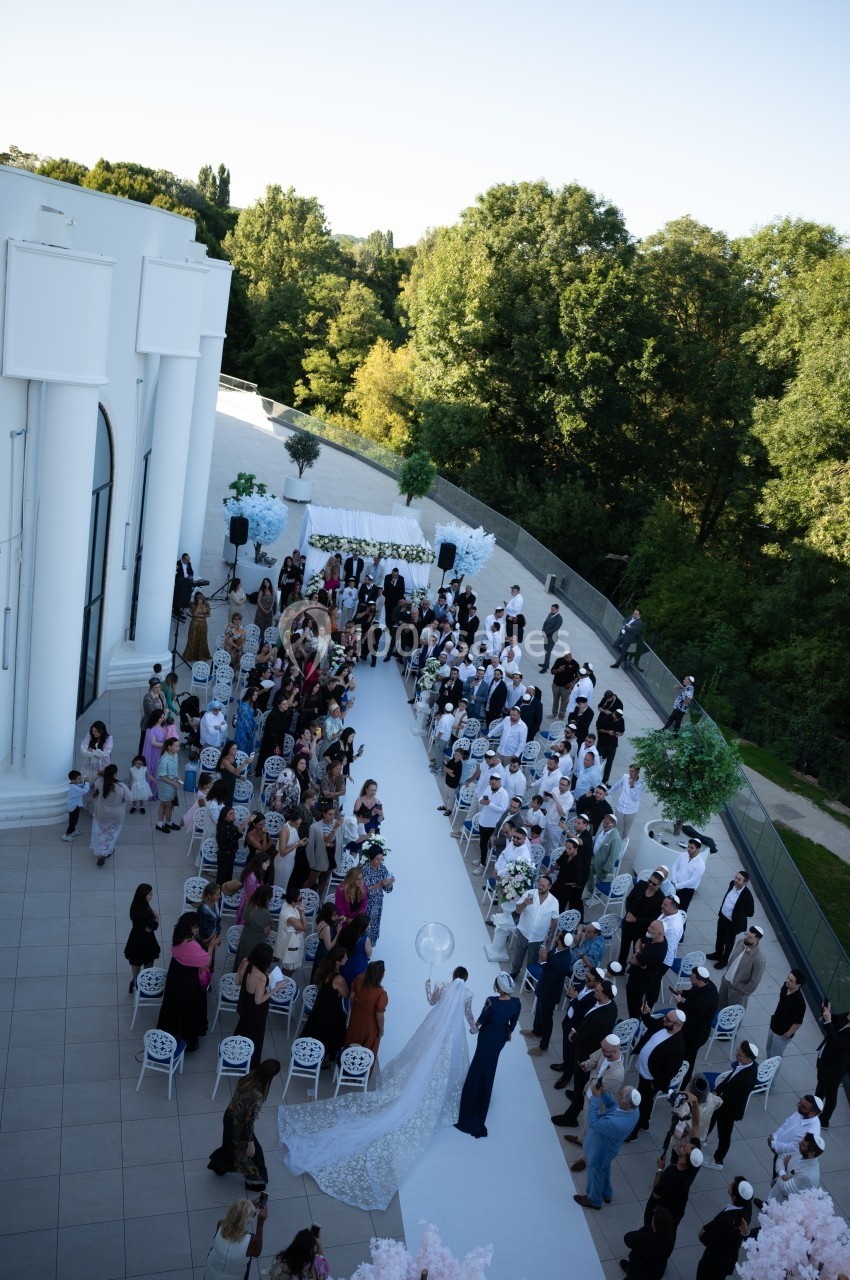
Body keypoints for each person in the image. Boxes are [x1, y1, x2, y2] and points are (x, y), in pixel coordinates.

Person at [280, 975, 476, 1209]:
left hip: (434, 1032)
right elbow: (468, 1017)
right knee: (442, 1068)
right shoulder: (469, 994)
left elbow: (433, 1001)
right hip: (451, 1038)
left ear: (454, 976)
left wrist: (426, 986)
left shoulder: (443, 985)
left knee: (419, 1058)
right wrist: (475, 1027)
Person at [455, 972, 521, 1139]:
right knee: (490, 1067)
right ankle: (483, 1097)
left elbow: (482, 1018)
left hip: (486, 1037)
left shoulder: (491, 1001)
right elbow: (513, 1022)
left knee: (477, 1067)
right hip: (499, 1039)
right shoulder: (516, 1003)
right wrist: (509, 1032)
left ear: (498, 987)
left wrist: (474, 1028)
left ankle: (470, 1102)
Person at [208, 1059, 281, 1190]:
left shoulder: (248, 1078)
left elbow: (241, 1099)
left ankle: (218, 1166)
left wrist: (254, 1110)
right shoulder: (257, 1095)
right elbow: (248, 1123)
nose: (275, 1079)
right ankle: (254, 1183)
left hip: (230, 1117)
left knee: (230, 1147)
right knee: (254, 1156)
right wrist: (250, 1143)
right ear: (269, 1076)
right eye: (274, 1076)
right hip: (240, 1127)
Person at [572, 1083, 640, 1211]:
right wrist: (604, 1094)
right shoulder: (634, 1110)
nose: (618, 1094)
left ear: (625, 1104)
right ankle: (606, 1193)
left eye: (620, 1094)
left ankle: (594, 1200)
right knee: (604, 1169)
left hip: (600, 1151)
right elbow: (614, 1107)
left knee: (594, 1172)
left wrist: (596, 1098)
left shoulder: (616, 1124)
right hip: (609, 1150)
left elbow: (593, 1122)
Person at [158, 911, 220, 1051]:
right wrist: (211, 946)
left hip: (177, 974)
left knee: (175, 1007)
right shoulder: (190, 944)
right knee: (188, 1009)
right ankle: (186, 1038)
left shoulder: (179, 936)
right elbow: (206, 962)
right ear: (190, 928)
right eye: (195, 927)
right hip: (189, 981)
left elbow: (195, 948)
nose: (197, 929)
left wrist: (206, 941)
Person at [627, 1007, 687, 1138]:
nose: (663, 1020)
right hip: (644, 1071)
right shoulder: (666, 1024)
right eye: (665, 1017)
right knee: (646, 1101)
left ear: (677, 1025)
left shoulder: (678, 1047)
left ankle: (633, 1132)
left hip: (651, 1079)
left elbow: (669, 1072)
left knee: (641, 1103)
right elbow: (653, 1024)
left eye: (667, 1019)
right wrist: (646, 1014)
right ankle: (644, 1123)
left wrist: (655, 1084)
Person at [704, 1040, 760, 1169]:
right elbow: (731, 1076)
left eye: (739, 1055)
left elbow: (731, 1098)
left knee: (724, 1135)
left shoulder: (745, 1081)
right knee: (711, 1119)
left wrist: (717, 1098)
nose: (736, 1055)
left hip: (729, 1110)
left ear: (749, 1058)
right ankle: (703, 1137)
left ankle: (718, 1160)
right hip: (724, 1102)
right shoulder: (748, 1065)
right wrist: (718, 1090)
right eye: (737, 1051)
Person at [235, 943, 284, 1069]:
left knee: (242, 1029)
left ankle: (236, 1054)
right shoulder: (262, 977)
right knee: (256, 1037)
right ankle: (251, 1064)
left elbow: (237, 981)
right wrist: (275, 988)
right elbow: (258, 1000)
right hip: (256, 1012)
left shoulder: (246, 962)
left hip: (244, 1002)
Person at [696, 1176, 754, 1280]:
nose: (730, 1184)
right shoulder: (747, 1205)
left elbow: (710, 1240)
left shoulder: (726, 1221)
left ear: (735, 1197)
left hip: (714, 1262)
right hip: (727, 1259)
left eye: (732, 1185)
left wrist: (703, 1235)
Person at [303, 947, 349, 1067]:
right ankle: (326, 1057)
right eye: (344, 957)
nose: (347, 959)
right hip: (332, 1010)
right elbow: (345, 993)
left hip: (320, 1006)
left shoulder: (323, 970)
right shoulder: (338, 979)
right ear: (337, 961)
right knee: (330, 1032)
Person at [202, 1197, 267, 1280]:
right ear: (247, 1221)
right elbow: (257, 1253)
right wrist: (260, 1222)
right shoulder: (252, 1241)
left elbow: (236, 1218)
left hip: (210, 1275)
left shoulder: (220, 1225)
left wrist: (244, 1207)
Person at [707, 870, 755, 969]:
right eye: (736, 877)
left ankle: (724, 960)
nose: (736, 880)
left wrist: (739, 913)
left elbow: (750, 913)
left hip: (732, 923)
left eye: (739, 879)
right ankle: (718, 953)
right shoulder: (732, 884)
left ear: (745, 882)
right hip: (723, 917)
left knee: (729, 942)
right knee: (719, 936)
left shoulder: (747, 895)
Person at [619, 870, 665, 965]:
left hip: (641, 928)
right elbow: (629, 899)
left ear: (660, 885)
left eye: (654, 884)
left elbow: (654, 919)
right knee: (624, 945)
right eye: (650, 881)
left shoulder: (660, 898)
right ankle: (621, 965)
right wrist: (629, 913)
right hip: (628, 922)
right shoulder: (641, 885)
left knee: (637, 950)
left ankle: (633, 967)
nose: (651, 884)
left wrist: (636, 919)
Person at [815, 1000, 850, 1127]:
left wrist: (829, 1020)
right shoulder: (847, 1016)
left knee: (831, 1094)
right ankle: (814, 1107)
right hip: (824, 1059)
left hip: (836, 1069)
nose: (848, 1014)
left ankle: (824, 1120)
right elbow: (831, 1019)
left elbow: (837, 1044)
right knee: (820, 1086)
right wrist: (826, 1011)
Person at [345, 959, 388, 1061]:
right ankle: (359, 1074)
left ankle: (346, 1064)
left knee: (352, 1040)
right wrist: (381, 1030)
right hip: (370, 1024)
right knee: (366, 1049)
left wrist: (354, 1009)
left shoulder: (359, 980)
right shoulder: (381, 994)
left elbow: (351, 997)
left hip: (356, 1016)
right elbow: (379, 1017)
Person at [90, 764, 131, 866]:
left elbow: (95, 776)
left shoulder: (100, 783)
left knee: (100, 834)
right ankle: (107, 851)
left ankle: (101, 855)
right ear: (115, 774)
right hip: (116, 816)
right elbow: (130, 798)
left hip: (102, 814)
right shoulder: (121, 786)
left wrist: (100, 773)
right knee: (111, 835)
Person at [620, 1205, 675, 1280]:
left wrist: (643, 1230)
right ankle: (629, 1268)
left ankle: (630, 1270)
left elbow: (628, 1238)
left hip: (638, 1271)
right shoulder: (671, 1235)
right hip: (657, 1271)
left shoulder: (646, 1239)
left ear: (654, 1224)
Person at [717, 925, 766, 1008]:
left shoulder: (759, 959)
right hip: (726, 982)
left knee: (733, 1016)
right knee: (719, 1008)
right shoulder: (741, 942)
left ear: (757, 939)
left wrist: (742, 991)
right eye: (746, 934)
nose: (746, 938)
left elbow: (755, 981)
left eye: (750, 937)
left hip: (737, 991)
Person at [123, 883, 160, 992]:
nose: (151, 896)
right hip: (146, 939)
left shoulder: (136, 905)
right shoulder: (143, 911)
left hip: (135, 937)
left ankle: (134, 981)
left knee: (135, 960)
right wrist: (156, 917)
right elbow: (155, 926)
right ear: (143, 896)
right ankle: (146, 984)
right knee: (148, 961)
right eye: (149, 894)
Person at [769, 1132, 823, 1202]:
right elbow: (781, 1157)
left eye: (803, 1145)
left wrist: (783, 1172)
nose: (799, 1143)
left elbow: (783, 1188)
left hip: (782, 1204)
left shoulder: (807, 1177)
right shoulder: (802, 1151)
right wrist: (784, 1175)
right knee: (768, 1202)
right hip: (775, 1193)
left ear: (811, 1153)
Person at [766, 969, 806, 1060]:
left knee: (774, 1058)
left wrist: (787, 1035)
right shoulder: (785, 986)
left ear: (798, 985)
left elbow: (798, 1023)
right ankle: (767, 1070)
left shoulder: (800, 1003)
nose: (787, 981)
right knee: (768, 1049)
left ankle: (771, 1073)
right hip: (773, 1025)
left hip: (782, 1034)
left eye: (791, 980)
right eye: (788, 977)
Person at [361, 845, 395, 943]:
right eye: (377, 859)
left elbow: (387, 890)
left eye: (381, 859)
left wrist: (390, 882)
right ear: (371, 857)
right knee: (366, 924)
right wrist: (380, 883)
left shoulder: (383, 869)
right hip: (367, 903)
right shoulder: (365, 870)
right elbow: (366, 890)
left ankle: (370, 945)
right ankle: (363, 944)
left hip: (378, 902)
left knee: (375, 923)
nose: (379, 862)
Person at [235, 885, 273, 970]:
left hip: (246, 935)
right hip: (257, 940)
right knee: (253, 964)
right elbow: (266, 930)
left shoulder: (249, 903)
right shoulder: (264, 912)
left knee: (242, 960)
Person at [274, 887, 307, 975]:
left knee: (288, 967)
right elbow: (304, 928)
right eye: (300, 899)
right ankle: (281, 986)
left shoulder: (287, 905)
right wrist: (302, 913)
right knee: (288, 969)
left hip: (291, 942)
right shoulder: (289, 916)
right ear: (293, 902)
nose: (301, 901)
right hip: (290, 945)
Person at [608, 764, 646, 839]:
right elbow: (616, 786)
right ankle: (617, 846)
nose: (630, 773)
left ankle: (622, 844)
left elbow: (635, 798)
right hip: (620, 808)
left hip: (631, 811)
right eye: (629, 771)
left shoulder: (642, 784)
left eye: (633, 771)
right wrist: (606, 793)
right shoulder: (625, 777)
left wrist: (632, 786)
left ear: (638, 772)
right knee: (618, 830)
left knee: (625, 832)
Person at [155, 737, 183, 834]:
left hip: (171, 784)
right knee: (169, 806)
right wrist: (174, 783)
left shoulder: (175, 755)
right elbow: (162, 777)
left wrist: (178, 778)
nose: (178, 748)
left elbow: (174, 770)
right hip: (165, 786)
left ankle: (159, 824)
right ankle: (169, 823)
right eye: (176, 746)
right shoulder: (164, 760)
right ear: (169, 747)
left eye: (178, 746)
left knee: (163, 804)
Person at [669, 838, 706, 911]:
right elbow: (675, 866)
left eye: (691, 848)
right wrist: (674, 881)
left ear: (698, 849)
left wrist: (677, 886)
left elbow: (693, 881)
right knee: (668, 906)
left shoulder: (700, 865)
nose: (688, 849)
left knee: (680, 911)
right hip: (674, 885)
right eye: (688, 846)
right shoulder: (683, 855)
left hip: (686, 892)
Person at [184, 591, 212, 662]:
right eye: (197, 598)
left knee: (202, 639)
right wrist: (198, 605)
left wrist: (201, 615)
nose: (199, 598)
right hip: (195, 624)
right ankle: (191, 655)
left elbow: (209, 614)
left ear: (202, 596)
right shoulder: (193, 605)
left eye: (200, 597)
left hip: (203, 624)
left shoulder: (206, 604)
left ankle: (201, 655)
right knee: (193, 639)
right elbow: (194, 614)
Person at [63, 769, 90, 841]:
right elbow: (84, 791)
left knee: (75, 819)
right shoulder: (74, 788)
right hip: (73, 807)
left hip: (75, 806)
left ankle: (73, 831)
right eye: (79, 778)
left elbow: (80, 785)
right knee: (73, 822)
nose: (80, 779)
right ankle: (66, 835)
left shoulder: (74, 784)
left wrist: (83, 781)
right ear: (73, 780)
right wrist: (86, 782)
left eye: (80, 777)